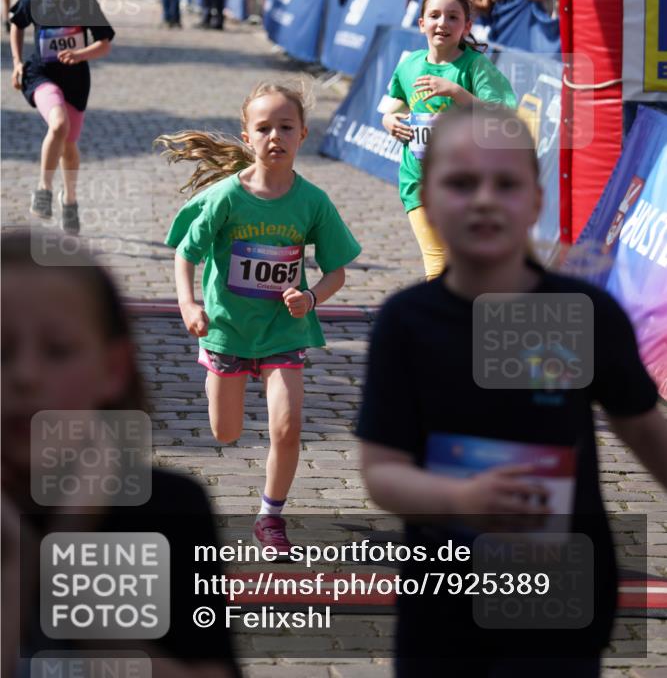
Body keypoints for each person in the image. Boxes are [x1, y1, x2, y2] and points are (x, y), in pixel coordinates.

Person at [358, 103, 667, 676]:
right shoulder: (407, 322)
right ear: (426, 193)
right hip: (444, 608)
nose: (483, 199)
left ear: (535, 201)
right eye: (460, 182)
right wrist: (459, 502)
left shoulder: (583, 314)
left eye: (505, 183)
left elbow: (648, 431)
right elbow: (381, 473)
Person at [1, 229, 241, 678]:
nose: (26, 375)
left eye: (58, 351)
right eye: (1, 351)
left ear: (112, 368)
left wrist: (71, 559)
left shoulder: (169, 510)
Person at [157, 81, 361, 553]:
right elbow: (186, 254)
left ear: (303, 134)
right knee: (225, 432)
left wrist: (310, 300)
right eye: (264, 128)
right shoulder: (227, 197)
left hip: (283, 331)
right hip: (227, 332)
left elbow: (336, 272)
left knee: (287, 428)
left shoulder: (313, 202)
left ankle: (271, 516)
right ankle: (217, 379)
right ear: (247, 137)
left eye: (285, 127)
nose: (276, 136)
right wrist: (189, 305)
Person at [381, 0, 516, 279]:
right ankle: (443, 321)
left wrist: (456, 92)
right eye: (434, 16)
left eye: (453, 17)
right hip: (417, 179)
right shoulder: (409, 65)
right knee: (438, 261)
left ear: (467, 26)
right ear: (421, 23)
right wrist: (389, 122)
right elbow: (392, 108)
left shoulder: (475, 67)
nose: (442, 23)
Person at [9, 0, 115, 233]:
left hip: (76, 82)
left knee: (68, 144)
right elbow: (16, 23)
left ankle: (70, 199)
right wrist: (17, 63)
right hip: (41, 75)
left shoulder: (84, 2)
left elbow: (104, 44)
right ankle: (43, 191)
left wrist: (80, 54)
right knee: (58, 125)